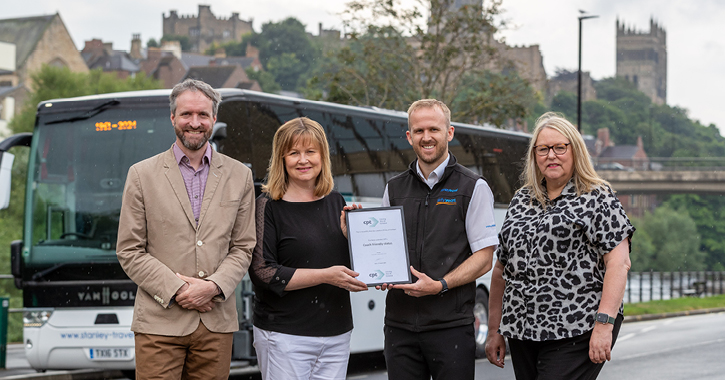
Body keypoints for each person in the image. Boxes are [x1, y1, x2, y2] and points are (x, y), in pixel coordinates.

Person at [117, 79, 255, 379]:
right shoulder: (141, 175)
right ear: (172, 118)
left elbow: (243, 247)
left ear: (214, 119)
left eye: (203, 115)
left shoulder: (239, 176)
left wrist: (213, 287)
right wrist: (178, 290)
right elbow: (129, 250)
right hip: (159, 323)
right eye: (186, 114)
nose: (195, 123)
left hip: (215, 323)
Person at [485, 112, 635, 379]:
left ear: (574, 150)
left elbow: (619, 263)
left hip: (577, 326)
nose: (550, 155)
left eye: (559, 147)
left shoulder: (597, 196)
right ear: (534, 155)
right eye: (543, 149)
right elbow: (501, 269)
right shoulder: (522, 199)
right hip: (523, 329)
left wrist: (604, 325)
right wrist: (494, 330)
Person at [378, 99, 498, 380]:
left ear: (450, 133)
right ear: (409, 137)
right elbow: (381, 246)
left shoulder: (472, 187)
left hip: (450, 327)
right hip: (400, 327)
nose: (426, 137)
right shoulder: (394, 188)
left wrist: (441, 285)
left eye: (434, 129)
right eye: (418, 131)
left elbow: (484, 258)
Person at [250, 117, 368, 380]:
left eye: (310, 152)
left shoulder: (337, 200)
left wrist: (355, 238)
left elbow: (351, 268)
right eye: (294, 153)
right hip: (285, 336)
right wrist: (325, 275)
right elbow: (263, 273)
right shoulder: (267, 206)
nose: (303, 160)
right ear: (281, 158)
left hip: (336, 333)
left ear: (322, 156)